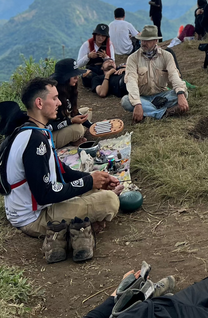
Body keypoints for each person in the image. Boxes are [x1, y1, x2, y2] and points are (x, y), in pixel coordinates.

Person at [0, 77, 120, 263]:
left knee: (97, 189)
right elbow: (44, 195)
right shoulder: (34, 140)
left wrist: (95, 179)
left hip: (38, 206)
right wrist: (89, 182)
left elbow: (61, 170)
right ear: (39, 103)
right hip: (32, 217)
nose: (59, 102)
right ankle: (75, 230)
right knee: (109, 200)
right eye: (54, 98)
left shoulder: (37, 130)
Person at [121, 25, 189, 121]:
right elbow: (131, 82)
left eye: (147, 40)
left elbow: (174, 76)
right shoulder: (132, 58)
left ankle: (149, 112)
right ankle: (164, 113)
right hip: (142, 97)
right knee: (126, 101)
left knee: (183, 93)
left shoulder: (167, 56)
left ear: (155, 41)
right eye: (142, 40)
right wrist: (137, 103)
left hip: (162, 96)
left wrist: (181, 94)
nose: (143, 43)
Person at [49, 58, 92, 148]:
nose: (77, 78)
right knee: (78, 128)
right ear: (65, 78)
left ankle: (77, 136)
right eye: (74, 76)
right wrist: (71, 121)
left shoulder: (69, 88)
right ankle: (77, 136)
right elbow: (49, 126)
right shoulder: (54, 95)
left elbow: (73, 111)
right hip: (52, 134)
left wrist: (92, 126)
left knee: (87, 111)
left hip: (65, 121)